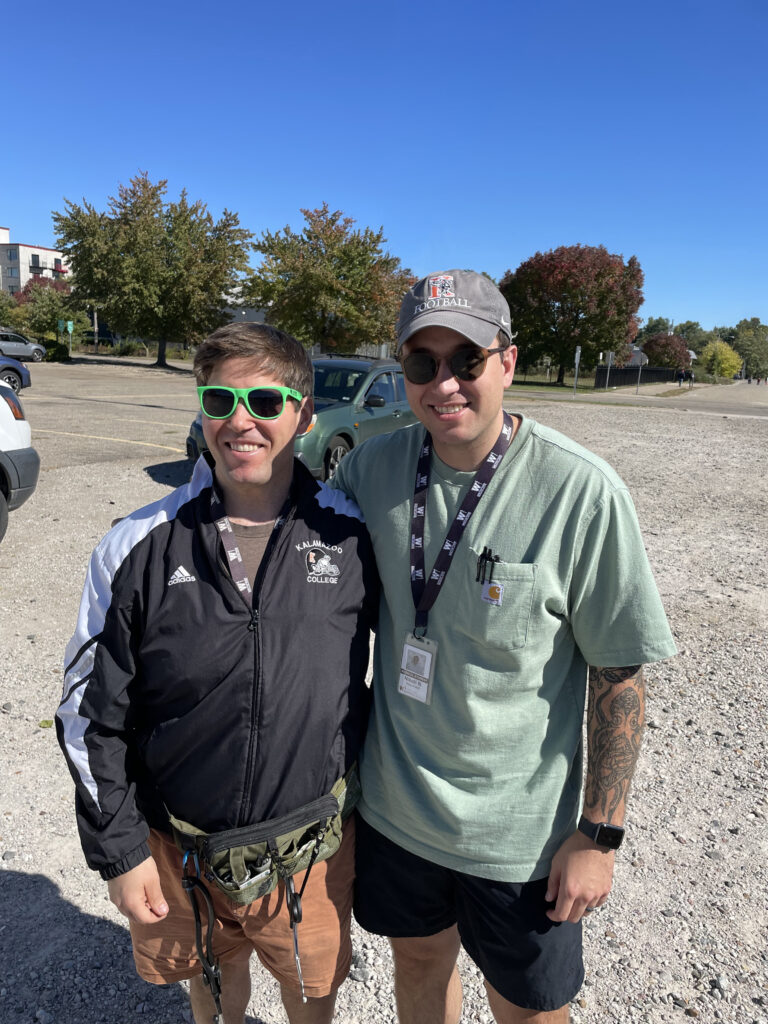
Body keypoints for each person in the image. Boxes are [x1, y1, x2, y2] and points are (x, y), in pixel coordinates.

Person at [330, 270, 677, 1024]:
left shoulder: (581, 492)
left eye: (468, 360)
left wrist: (600, 834)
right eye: (423, 363)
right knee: (419, 962)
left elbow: (618, 675)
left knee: (528, 1005)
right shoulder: (372, 469)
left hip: (521, 838)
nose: (444, 383)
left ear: (508, 363)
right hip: (397, 813)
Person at [56, 323, 379, 1024]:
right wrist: (120, 852)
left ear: (303, 414)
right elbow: (88, 714)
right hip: (180, 848)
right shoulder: (135, 544)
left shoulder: (353, 536)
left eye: (265, 401)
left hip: (312, 850)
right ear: (201, 408)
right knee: (211, 985)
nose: (241, 419)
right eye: (220, 397)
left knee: (310, 995)